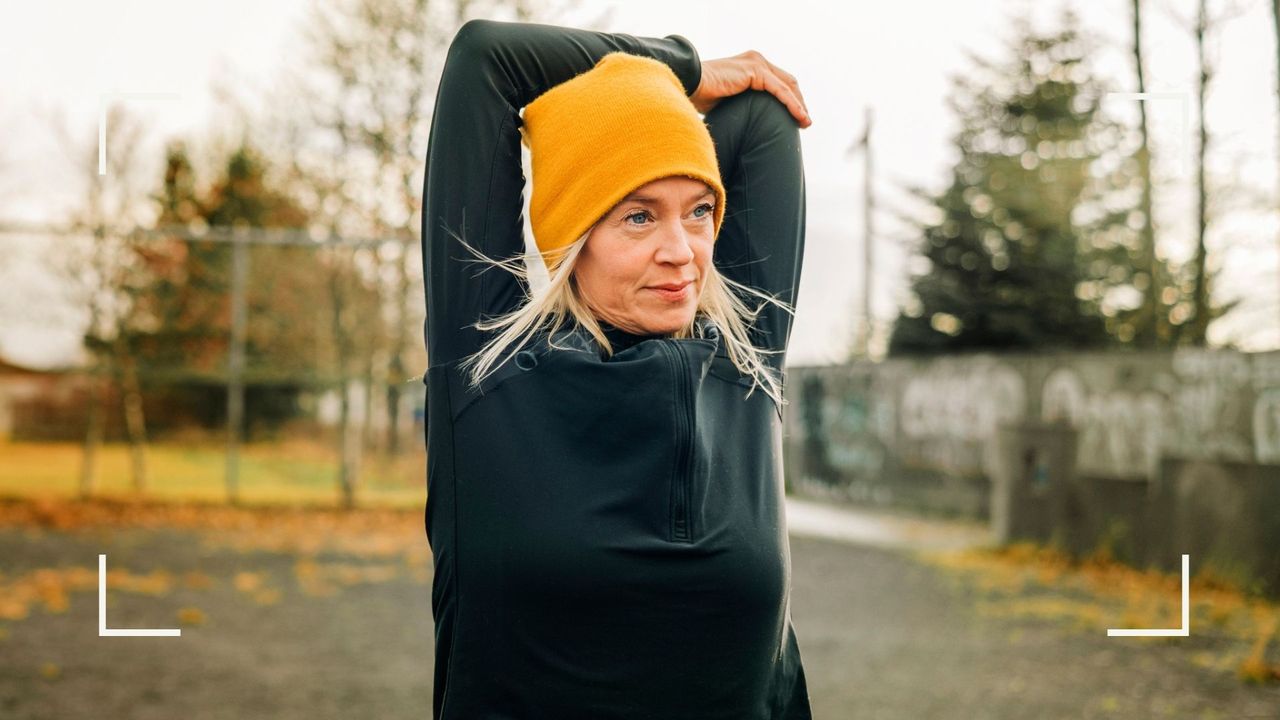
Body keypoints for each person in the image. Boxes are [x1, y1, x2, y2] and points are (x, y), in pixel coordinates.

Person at [420, 17, 811, 720]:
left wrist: (658, 113)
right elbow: (488, 58)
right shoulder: (487, 371)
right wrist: (681, 69)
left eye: (698, 212)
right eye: (637, 217)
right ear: (575, 237)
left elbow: (759, 114)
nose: (681, 250)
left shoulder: (745, 366)